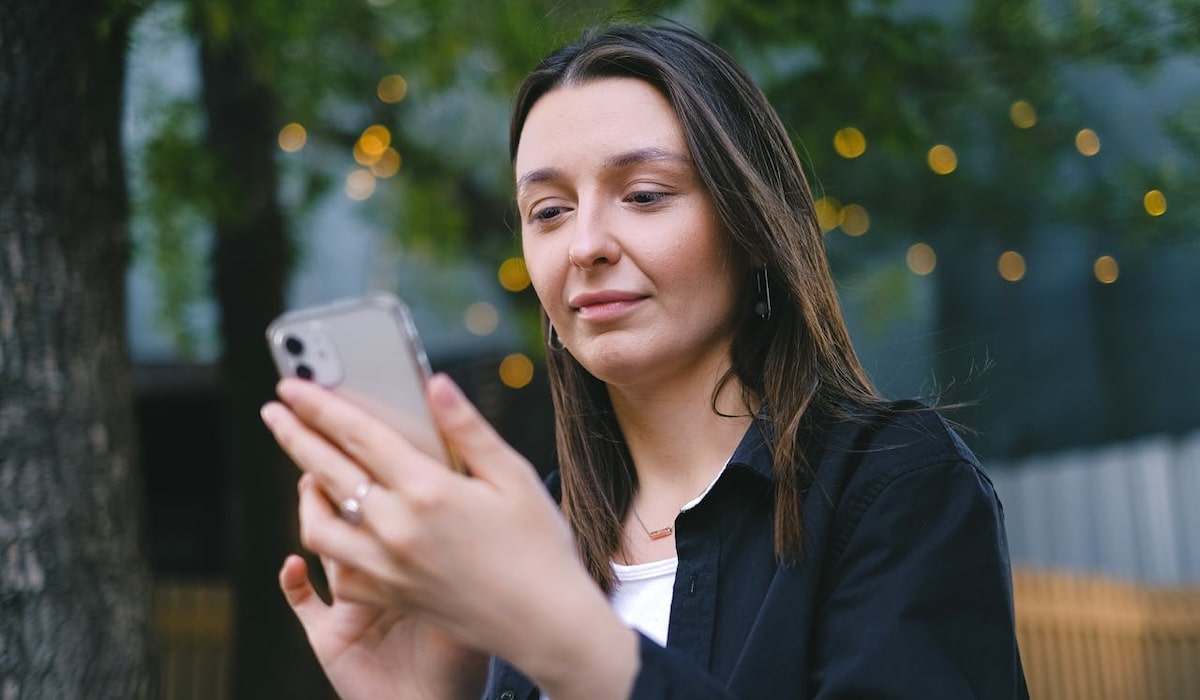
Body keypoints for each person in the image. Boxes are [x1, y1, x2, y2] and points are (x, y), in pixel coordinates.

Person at [260, 22, 1030, 700]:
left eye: (646, 193)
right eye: (549, 212)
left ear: (752, 226)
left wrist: (574, 646)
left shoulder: (895, 485)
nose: (586, 245)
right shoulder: (535, 535)